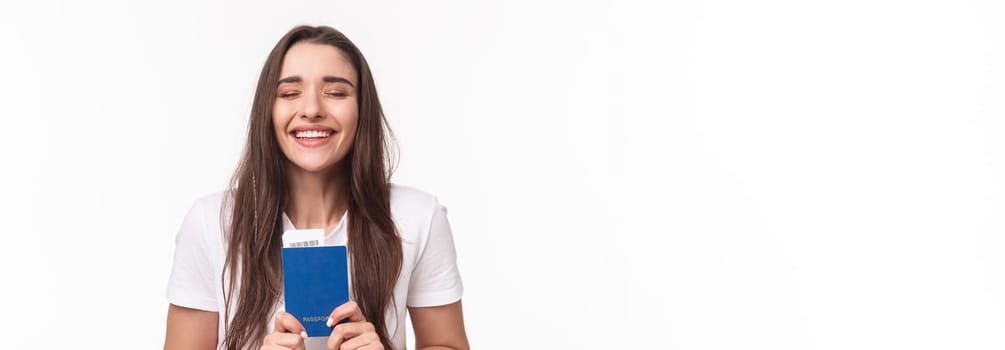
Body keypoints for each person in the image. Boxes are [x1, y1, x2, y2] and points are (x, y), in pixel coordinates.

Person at [163, 25, 469, 350]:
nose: (311, 110)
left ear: (362, 110)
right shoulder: (211, 223)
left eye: (336, 93)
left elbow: (448, 343)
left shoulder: (417, 217)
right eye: (289, 93)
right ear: (267, 110)